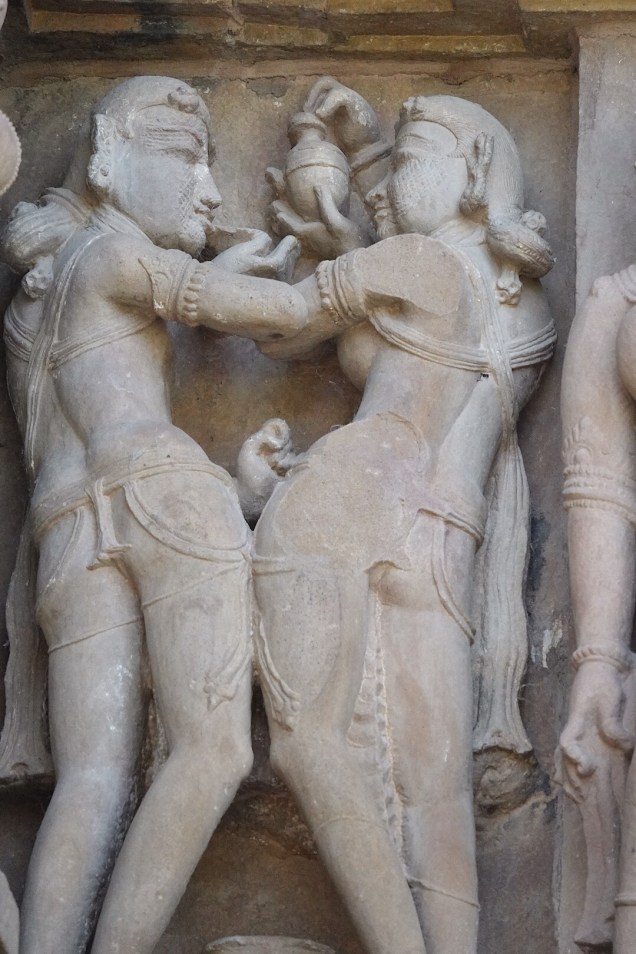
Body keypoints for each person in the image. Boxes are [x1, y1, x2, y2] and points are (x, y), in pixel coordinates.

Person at [1, 76, 364, 954]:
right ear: (106, 156)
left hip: (67, 533)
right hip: (164, 501)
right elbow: (282, 310)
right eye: (186, 157)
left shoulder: (42, 297)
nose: (207, 188)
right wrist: (356, 260)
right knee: (215, 751)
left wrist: (236, 490)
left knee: (92, 780)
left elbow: (109, 412)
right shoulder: (112, 257)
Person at [252, 79, 555, 954]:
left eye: (413, 158)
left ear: (476, 172)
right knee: (427, 789)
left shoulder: (444, 270)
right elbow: (401, 313)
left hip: (373, 510)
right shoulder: (506, 290)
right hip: (437, 535)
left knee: (337, 750)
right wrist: (367, 160)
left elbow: (296, 326)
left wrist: (194, 279)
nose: (389, 187)